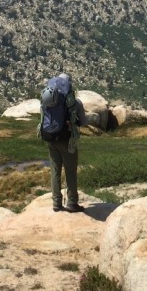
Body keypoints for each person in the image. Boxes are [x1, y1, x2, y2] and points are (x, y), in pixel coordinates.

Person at [39, 72, 84, 212]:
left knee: (55, 170)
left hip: (50, 139)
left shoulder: (47, 101)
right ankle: (72, 202)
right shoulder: (74, 103)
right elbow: (83, 121)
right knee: (70, 171)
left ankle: (56, 203)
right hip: (67, 140)